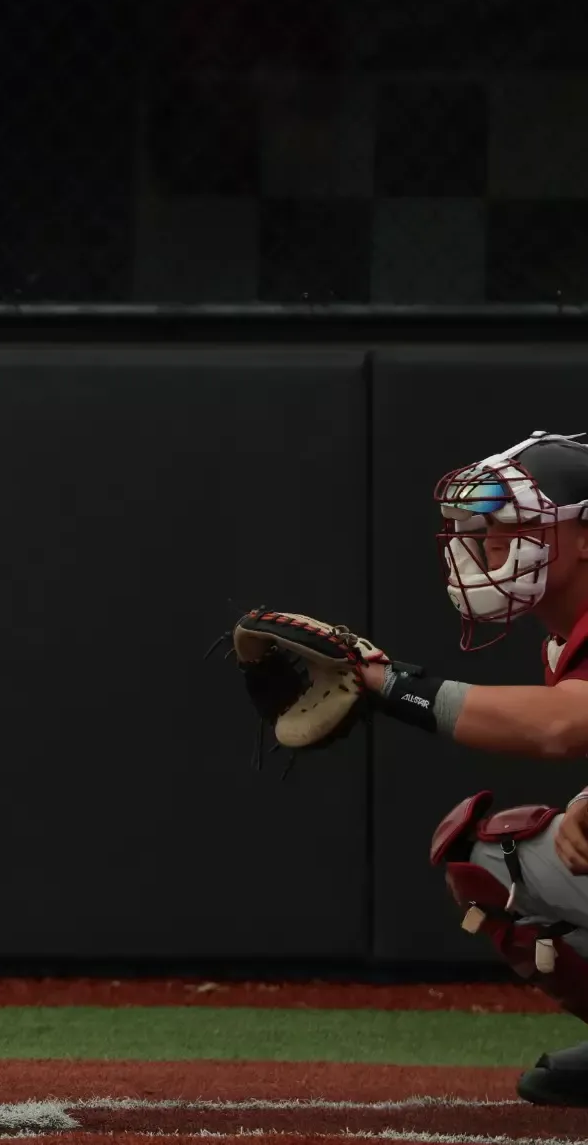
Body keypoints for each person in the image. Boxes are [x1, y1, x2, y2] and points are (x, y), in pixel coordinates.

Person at [235, 430, 588, 1108]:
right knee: (495, 859)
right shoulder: (565, 636)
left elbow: (564, 724)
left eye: (513, 525)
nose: (489, 545)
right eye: (484, 529)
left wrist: (393, 685)